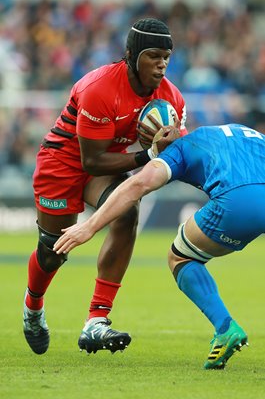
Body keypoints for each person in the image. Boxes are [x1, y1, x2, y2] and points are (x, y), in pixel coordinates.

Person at [23, 17, 188, 356]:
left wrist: (175, 148)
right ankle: (33, 308)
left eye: (166, 57)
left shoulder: (171, 99)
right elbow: (91, 161)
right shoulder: (99, 88)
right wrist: (148, 155)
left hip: (105, 162)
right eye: (153, 56)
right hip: (63, 163)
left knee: (126, 214)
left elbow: (170, 153)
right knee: (53, 251)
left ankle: (96, 321)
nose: (161, 65)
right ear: (132, 55)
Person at [54, 123, 265, 369]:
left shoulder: (179, 151)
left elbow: (136, 186)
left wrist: (89, 226)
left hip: (239, 200)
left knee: (182, 257)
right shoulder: (234, 131)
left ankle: (225, 328)